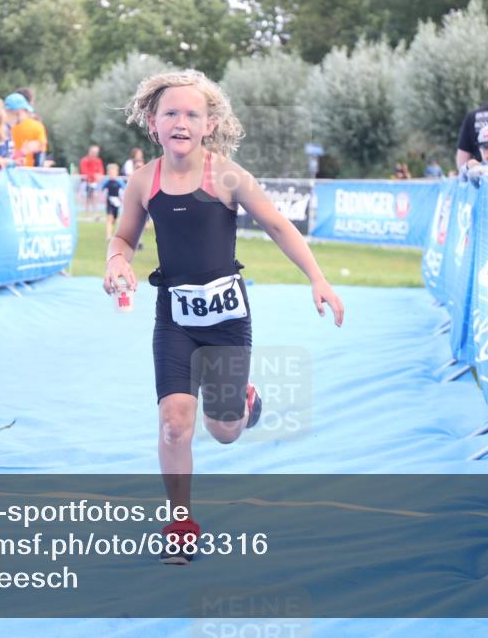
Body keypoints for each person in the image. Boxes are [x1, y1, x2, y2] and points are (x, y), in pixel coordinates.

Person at [104, 69, 344, 564]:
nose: (181, 122)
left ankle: (243, 400)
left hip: (227, 320)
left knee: (224, 430)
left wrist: (317, 278)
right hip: (174, 318)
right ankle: (180, 522)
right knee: (174, 423)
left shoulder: (227, 175)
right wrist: (116, 260)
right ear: (153, 122)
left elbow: (278, 226)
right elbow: (124, 238)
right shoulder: (144, 180)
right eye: (170, 112)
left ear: (209, 124)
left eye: (192, 114)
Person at [4, 92, 47, 167]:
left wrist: (18, 159)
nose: (27, 115)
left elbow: (6, 159)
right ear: (19, 111)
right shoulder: (3, 130)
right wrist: (23, 152)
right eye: (26, 111)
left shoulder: (7, 129)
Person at [101, 162, 125, 239]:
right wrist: (101, 197)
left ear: (117, 173)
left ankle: (115, 231)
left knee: (114, 219)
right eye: (110, 173)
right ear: (108, 173)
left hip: (117, 203)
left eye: (113, 172)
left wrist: (123, 200)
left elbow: (125, 191)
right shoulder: (107, 181)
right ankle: (108, 236)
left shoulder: (119, 182)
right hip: (109, 202)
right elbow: (101, 189)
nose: (112, 174)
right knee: (109, 218)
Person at [80, 145, 105, 214]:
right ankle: (87, 212)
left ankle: (95, 211)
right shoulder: (84, 160)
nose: (95, 154)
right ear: (90, 152)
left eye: (96, 152)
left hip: (95, 183)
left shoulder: (98, 161)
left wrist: (99, 176)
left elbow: (101, 171)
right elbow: (84, 171)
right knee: (88, 197)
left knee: (95, 195)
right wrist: (94, 175)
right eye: (93, 152)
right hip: (87, 182)